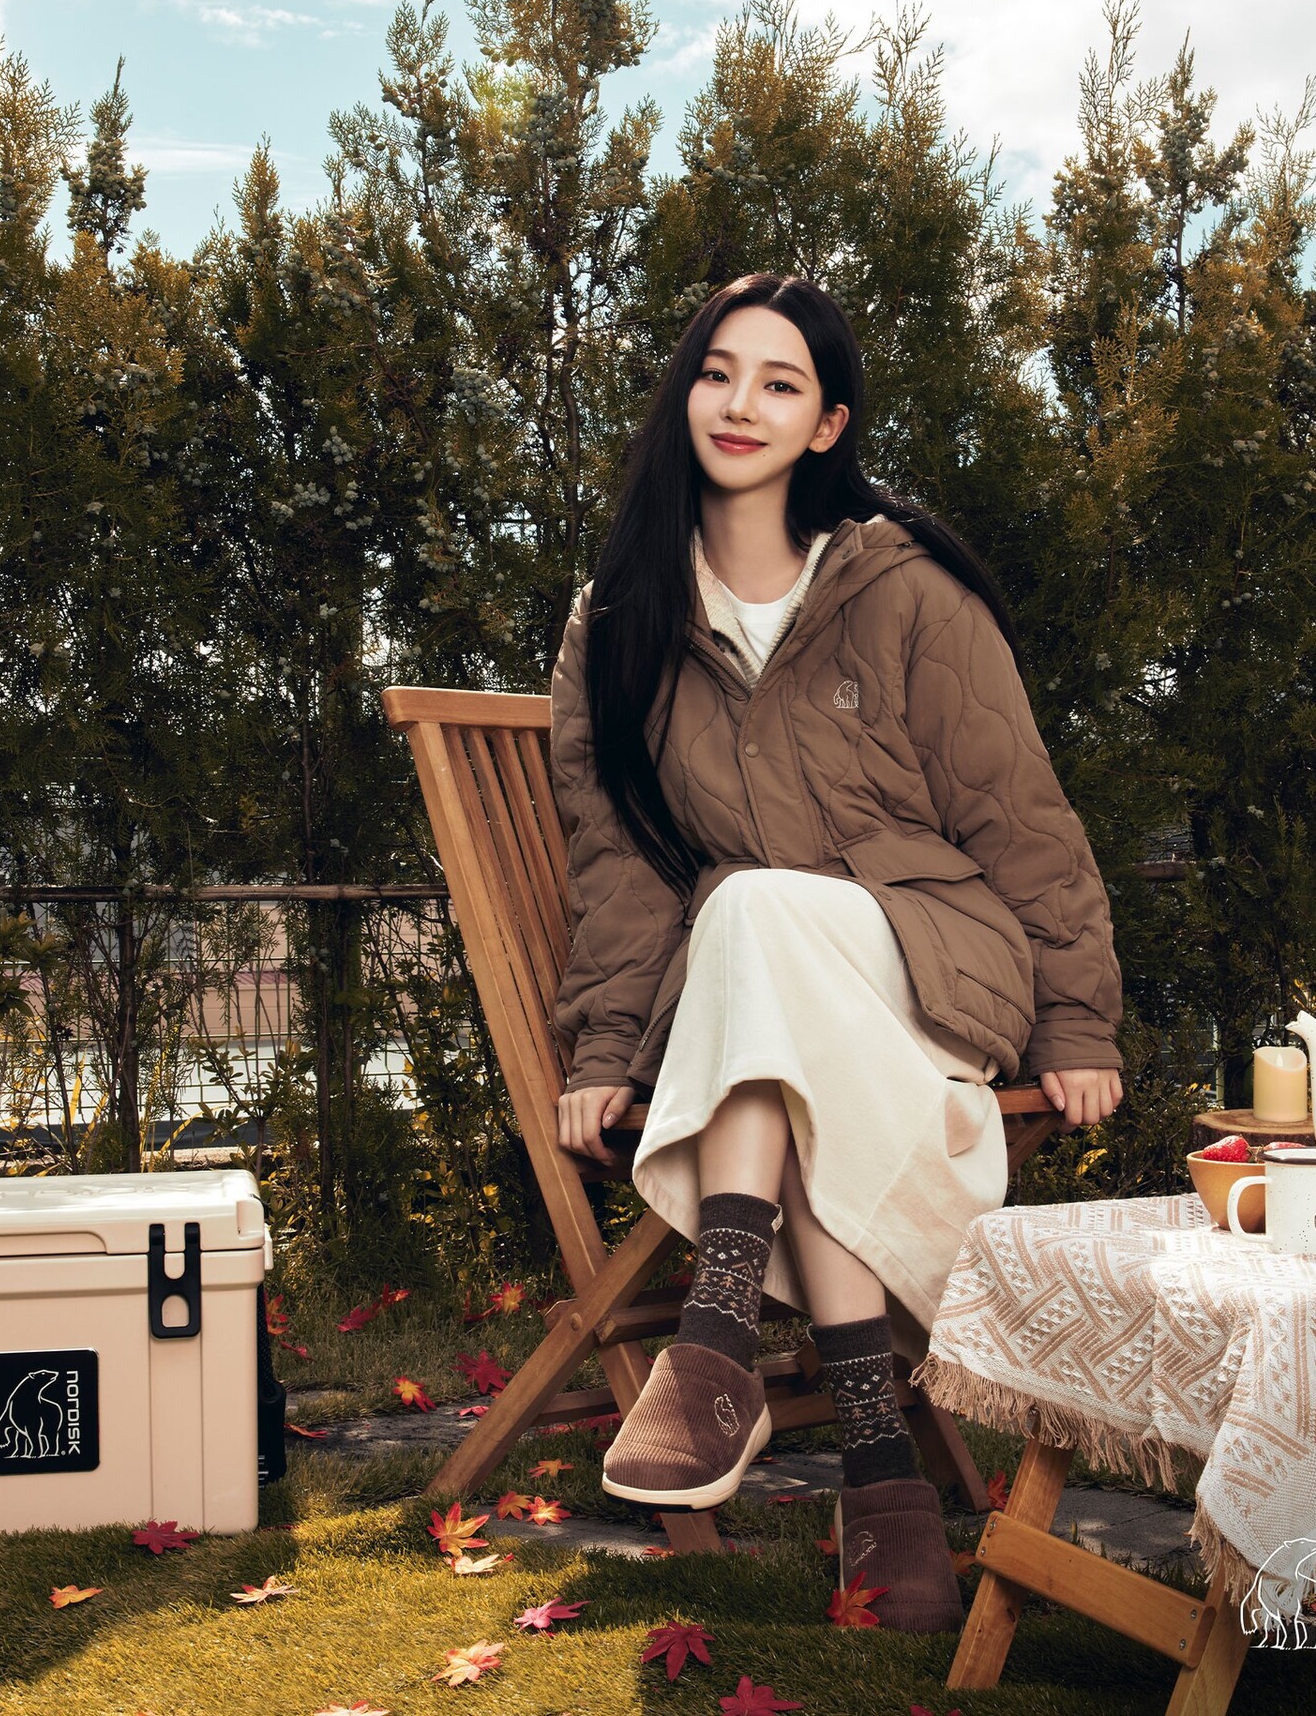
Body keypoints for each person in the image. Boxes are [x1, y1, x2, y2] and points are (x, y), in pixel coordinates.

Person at [548, 270, 1124, 1633]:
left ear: (826, 426)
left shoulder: (903, 591)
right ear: (685, 394)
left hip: (933, 958)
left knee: (752, 910)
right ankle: (882, 1470)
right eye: (717, 372)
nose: (738, 403)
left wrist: (1077, 1021)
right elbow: (621, 868)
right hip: (770, 1009)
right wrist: (605, 1047)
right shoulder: (619, 625)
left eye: (780, 382)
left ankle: (716, 1340)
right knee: (763, 958)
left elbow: (1018, 812)